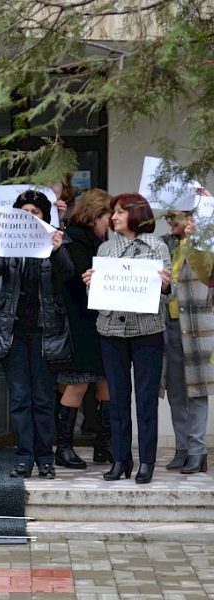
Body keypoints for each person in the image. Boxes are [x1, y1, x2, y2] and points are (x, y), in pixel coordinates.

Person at [0, 190, 72, 479]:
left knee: (43, 399)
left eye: (36, 212)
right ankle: (24, 458)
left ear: (44, 216)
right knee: (20, 398)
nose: (30, 217)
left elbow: (66, 275)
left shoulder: (55, 240)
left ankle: (45, 459)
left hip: (45, 332)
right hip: (13, 331)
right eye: (25, 212)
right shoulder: (9, 240)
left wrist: (57, 250)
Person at [82, 193, 172, 484]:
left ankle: (147, 461)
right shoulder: (106, 248)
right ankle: (121, 460)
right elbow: (98, 296)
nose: (114, 217)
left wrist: (165, 287)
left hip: (148, 332)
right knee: (117, 399)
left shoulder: (157, 247)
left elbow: (170, 296)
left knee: (146, 401)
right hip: (111, 332)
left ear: (136, 214)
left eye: (120, 211)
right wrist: (91, 284)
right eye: (113, 212)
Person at [54, 189, 112, 469]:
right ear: (96, 215)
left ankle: (104, 443)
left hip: (98, 322)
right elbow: (77, 279)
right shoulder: (76, 240)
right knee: (78, 382)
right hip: (80, 322)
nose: (112, 220)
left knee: (106, 382)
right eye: (109, 214)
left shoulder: (98, 240)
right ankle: (64, 446)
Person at [161, 209, 214, 474]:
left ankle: (197, 450)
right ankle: (182, 448)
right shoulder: (164, 244)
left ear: (192, 219)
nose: (171, 222)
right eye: (169, 218)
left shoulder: (207, 242)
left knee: (197, 389)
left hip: (199, 324)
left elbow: (207, 272)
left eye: (176, 218)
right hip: (170, 324)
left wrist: (197, 238)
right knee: (175, 391)